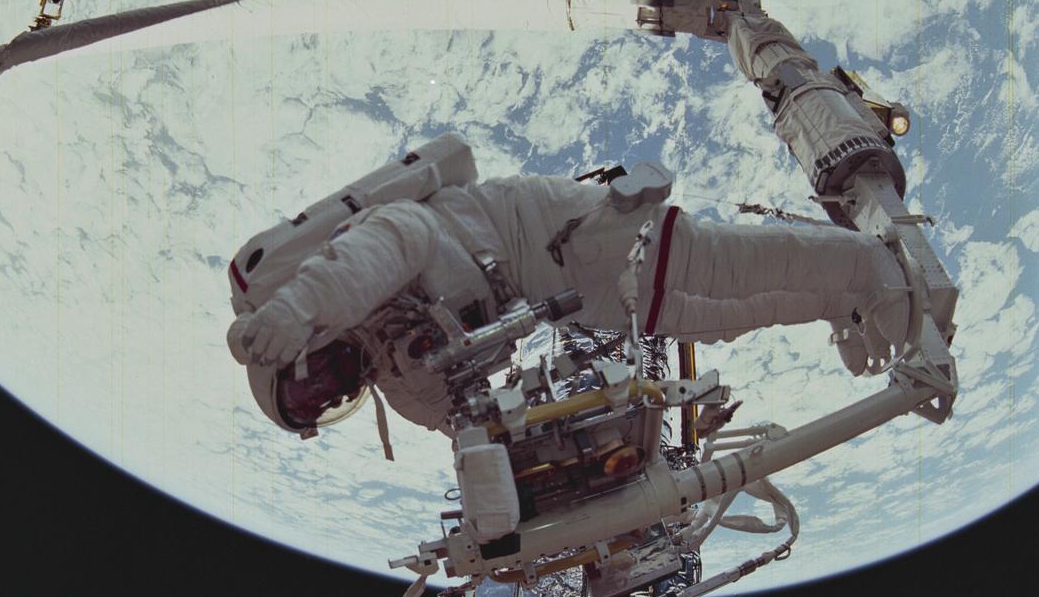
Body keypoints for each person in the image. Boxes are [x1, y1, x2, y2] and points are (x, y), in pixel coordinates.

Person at [226, 157, 911, 438]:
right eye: (319, 407)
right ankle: (841, 304)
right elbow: (472, 424)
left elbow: (393, 242)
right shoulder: (406, 394)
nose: (327, 392)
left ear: (297, 352)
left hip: (548, 235)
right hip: (559, 299)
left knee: (717, 266)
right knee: (710, 316)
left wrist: (297, 306)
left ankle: (872, 264)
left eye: (308, 384)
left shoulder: (363, 255)